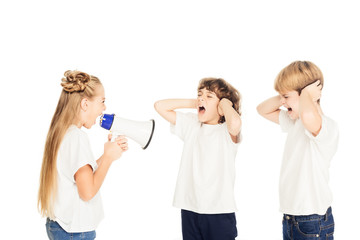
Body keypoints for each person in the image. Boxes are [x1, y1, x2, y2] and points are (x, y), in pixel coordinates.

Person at [38, 70, 128, 240]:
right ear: (85, 104)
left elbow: (80, 174)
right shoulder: (77, 137)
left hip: (60, 225)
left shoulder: (63, 132)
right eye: (102, 101)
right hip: (75, 231)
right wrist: (108, 157)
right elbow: (87, 192)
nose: (104, 108)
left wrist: (108, 153)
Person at [257, 61, 339, 240]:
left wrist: (307, 95)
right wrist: (285, 95)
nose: (282, 102)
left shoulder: (324, 125)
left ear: (306, 95)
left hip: (311, 221)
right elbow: (262, 109)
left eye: (286, 96)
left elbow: (310, 116)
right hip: (291, 218)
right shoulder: (296, 123)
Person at [154, 77, 242, 240]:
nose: (202, 98)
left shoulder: (226, 131)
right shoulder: (192, 124)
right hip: (190, 208)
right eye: (199, 94)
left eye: (209, 96)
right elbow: (160, 106)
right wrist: (196, 102)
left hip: (219, 211)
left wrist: (225, 105)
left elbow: (235, 123)